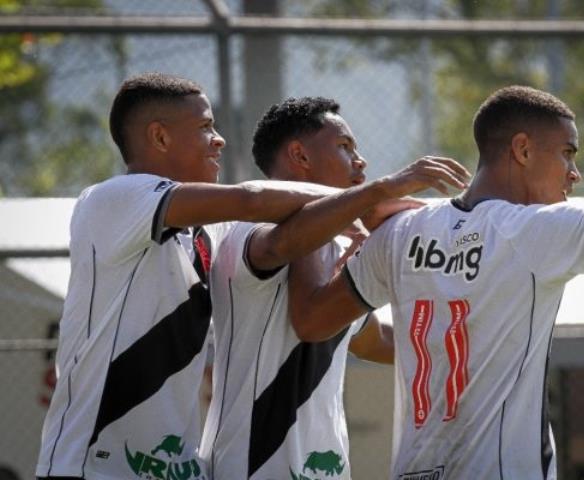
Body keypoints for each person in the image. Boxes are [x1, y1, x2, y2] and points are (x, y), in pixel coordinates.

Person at [34, 74, 467, 480]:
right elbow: (255, 201)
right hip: (94, 466)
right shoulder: (114, 200)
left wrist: (468, 342)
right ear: (159, 136)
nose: (219, 139)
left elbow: (373, 338)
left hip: (174, 469)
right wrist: (375, 195)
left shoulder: (210, 233)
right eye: (205, 126)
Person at [288, 58, 584, 479]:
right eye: (567, 154)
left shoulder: (402, 231)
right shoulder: (535, 231)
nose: (574, 174)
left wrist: (310, 213)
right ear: (522, 150)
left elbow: (313, 321)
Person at [198, 97, 469, 479]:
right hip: (254, 467)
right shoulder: (249, 231)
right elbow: (305, 310)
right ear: (300, 156)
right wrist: (373, 198)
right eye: (344, 147)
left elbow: (372, 341)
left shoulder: (337, 245)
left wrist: (463, 349)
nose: (360, 162)